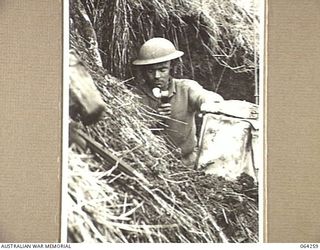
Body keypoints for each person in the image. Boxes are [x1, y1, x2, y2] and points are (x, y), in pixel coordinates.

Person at [132, 37, 223, 167]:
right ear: (144, 71)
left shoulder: (186, 88)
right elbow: (131, 131)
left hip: (188, 162)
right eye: (151, 71)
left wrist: (212, 103)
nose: (157, 76)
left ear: (171, 68)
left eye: (162, 70)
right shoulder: (135, 95)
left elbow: (204, 96)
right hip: (153, 165)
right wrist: (154, 119)